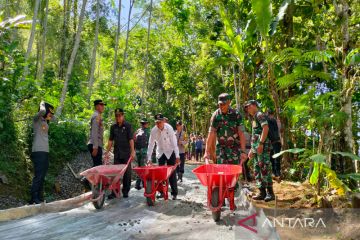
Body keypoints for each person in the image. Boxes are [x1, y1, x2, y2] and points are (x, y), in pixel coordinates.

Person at [204, 93, 247, 167]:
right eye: (220, 104)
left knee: (233, 173)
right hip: (221, 148)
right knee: (221, 172)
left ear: (229, 102)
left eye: (224, 104)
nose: (221, 106)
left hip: (234, 149)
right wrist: (206, 152)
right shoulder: (216, 115)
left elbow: (241, 133)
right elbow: (211, 133)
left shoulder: (236, 115)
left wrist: (243, 151)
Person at [244, 100, 275, 202]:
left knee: (265, 168)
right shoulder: (254, 118)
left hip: (263, 147)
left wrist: (261, 143)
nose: (247, 109)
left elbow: (265, 128)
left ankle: (270, 193)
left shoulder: (259, 114)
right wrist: (252, 149)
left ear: (254, 105)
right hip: (256, 148)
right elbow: (255, 135)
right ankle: (262, 192)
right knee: (257, 169)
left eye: (248, 107)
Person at [147, 113, 180, 200]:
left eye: (160, 122)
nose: (158, 124)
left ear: (163, 121)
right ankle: (161, 192)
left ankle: (174, 193)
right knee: (159, 174)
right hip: (160, 152)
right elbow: (150, 145)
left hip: (170, 151)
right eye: (157, 122)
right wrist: (149, 158)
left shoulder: (169, 128)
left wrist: (177, 156)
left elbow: (174, 143)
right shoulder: (153, 131)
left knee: (172, 173)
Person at [105, 108, 135, 198]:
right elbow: (110, 140)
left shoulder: (128, 126)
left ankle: (125, 191)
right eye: (116, 116)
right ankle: (115, 191)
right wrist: (107, 152)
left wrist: (132, 151)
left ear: (123, 116)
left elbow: (131, 139)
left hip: (126, 153)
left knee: (127, 173)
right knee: (115, 173)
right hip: (117, 153)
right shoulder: (113, 127)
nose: (118, 117)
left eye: (120, 115)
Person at [30, 101, 56, 204]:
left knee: (42, 175)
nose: (50, 114)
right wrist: (43, 104)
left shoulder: (45, 122)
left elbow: (55, 119)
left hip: (45, 151)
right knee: (38, 175)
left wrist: (51, 113)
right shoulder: (37, 119)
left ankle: (39, 197)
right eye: (49, 112)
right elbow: (42, 111)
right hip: (38, 151)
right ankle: (33, 198)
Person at [88, 99, 106, 167]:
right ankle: (88, 177)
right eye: (101, 105)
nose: (103, 107)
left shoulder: (98, 115)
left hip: (96, 143)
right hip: (95, 144)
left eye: (103, 105)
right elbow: (94, 132)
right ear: (96, 106)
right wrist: (95, 147)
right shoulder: (96, 116)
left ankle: (90, 177)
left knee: (97, 166)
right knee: (98, 167)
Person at [134, 118, 150, 190]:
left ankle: (138, 184)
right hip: (143, 152)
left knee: (139, 168)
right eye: (146, 123)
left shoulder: (137, 131)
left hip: (138, 152)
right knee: (143, 168)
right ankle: (143, 184)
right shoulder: (147, 132)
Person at [267, 109, 282, 182]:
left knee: (272, 158)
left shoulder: (268, 121)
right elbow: (280, 131)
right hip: (276, 142)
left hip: (271, 142)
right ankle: (277, 173)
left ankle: (275, 173)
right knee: (276, 158)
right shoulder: (277, 121)